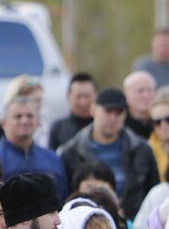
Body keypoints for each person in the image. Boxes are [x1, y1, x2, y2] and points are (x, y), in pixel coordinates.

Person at [57, 87, 158, 221]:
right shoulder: (70, 152)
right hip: (87, 224)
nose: (113, 118)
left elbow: (153, 192)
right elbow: (62, 197)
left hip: (134, 224)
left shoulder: (142, 149)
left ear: (125, 114)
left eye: (119, 112)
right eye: (108, 111)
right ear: (93, 110)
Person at [0, 97, 68, 199]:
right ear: (4, 122)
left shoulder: (53, 159)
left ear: (38, 121)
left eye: (30, 116)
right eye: (18, 116)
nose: (25, 120)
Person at [131, 27, 169, 91]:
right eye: (160, 44)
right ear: (152, 44)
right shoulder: (142, 66)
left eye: (167, 44)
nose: (163, 48)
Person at [49, 74, 97, 149]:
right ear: (68, 97)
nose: (83, 103)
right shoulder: (58, 128)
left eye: (87, 96)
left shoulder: (105, 126)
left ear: (96, 96)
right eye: (78, 96)